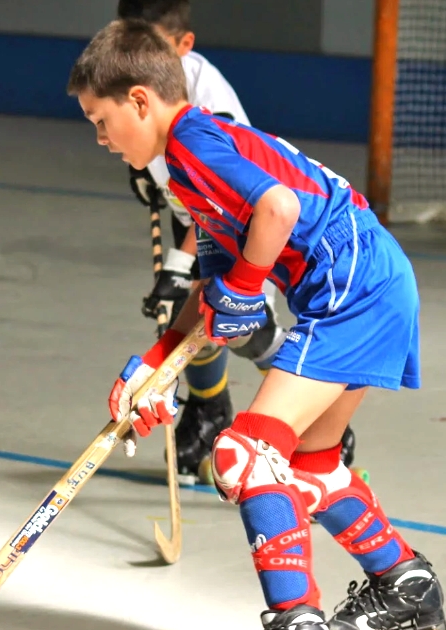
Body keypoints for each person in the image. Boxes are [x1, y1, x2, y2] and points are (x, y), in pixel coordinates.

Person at [67, 20, 444, 630]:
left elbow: (280, 210)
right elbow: (213, 293)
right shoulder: (190, 172)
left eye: (102, 119)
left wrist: (246, 285)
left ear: (141, 101)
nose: (101, 137)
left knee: (243, 454)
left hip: (350, 290)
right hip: (371, 281)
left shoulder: (193, 143)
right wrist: (156, 361)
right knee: (314, 468)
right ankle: (406, 586)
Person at [116, 0, 357, 484]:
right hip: (214, 224)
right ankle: (208, 414)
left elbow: (225, 201)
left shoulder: (206, 107)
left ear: (184, 46)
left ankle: (317, 413)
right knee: (200, 319)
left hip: (254, 236)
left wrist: (180, 267)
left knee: (241, 325)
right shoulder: (144, 95)